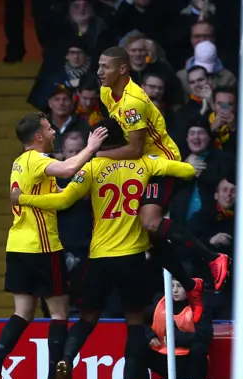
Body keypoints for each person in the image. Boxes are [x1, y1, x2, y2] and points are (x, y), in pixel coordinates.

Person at [10, 118, 199, 379]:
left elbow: (62, 201)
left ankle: (66, 360)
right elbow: (186, 170)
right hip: (133, 255)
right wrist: (162, 165)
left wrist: (24, 199)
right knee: (135, 321)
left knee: (86, 319)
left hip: (98, 257)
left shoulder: (92, 167)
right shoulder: (145, 163)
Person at [95, 46, 231, 320]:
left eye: (105, 67)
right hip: (139, 165)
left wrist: (94, 154)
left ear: (123, 69)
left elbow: (134, 148)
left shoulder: (133, 101)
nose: (99, 72)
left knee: (151, 223)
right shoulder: (106, 92)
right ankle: (192, 284)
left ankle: (214, 259)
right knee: (149, 238)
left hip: (160, 161)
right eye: (98, 66)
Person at [0, 112, 108, 379]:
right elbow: (66, 169)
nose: (54, 133)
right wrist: (91, 148)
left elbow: (56, 191)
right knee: (59, 314)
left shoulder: (18, 163)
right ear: (38, 137)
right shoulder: (37, 159)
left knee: (22, 313)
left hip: (16, 245)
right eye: (49, 129)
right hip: (43, 246)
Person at [139, 278, 213, 379]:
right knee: (138, 348)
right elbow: (138, 321)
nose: (175, 290)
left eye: (179, 286)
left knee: (199, 349)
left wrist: (177, 338)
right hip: (163, 359)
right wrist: (149, 335)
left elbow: (205, 337)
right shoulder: (159, 303)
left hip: (188, 361)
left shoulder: (199, 308)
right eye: (171, 286)